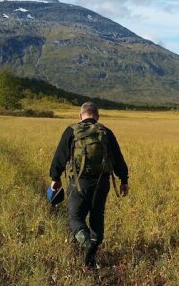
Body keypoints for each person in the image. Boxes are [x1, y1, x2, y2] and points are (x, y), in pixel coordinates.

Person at [49, 101, 129, 268]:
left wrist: (55, 178)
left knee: (75, 218)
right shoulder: (106, 132)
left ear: (80, 116)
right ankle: (91, 253)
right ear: (97, 116)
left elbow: (59, 156)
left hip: (78, 183)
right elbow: (118, 159)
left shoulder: (71, 130)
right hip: (102, 184)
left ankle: (86, 243)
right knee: (97, 218)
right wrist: (124, 180)